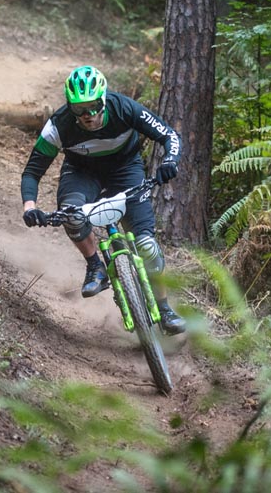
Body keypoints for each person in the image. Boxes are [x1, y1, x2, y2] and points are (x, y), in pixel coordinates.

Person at [20, 65, 187, 334]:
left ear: (104, 100)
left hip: (125, 169)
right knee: (72, 214)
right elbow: (32, 171)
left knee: (147, 246)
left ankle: (165, 308)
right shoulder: (59, 126)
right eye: (79, 108)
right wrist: (30, 207)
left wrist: (170, 161)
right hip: (81, 173)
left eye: (94, 106)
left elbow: (169, 135)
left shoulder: (125, 109)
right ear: (70, 107)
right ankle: (95, 266)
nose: (88, 115)